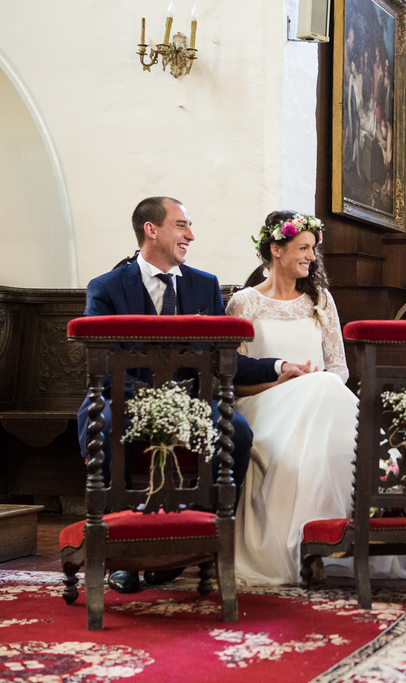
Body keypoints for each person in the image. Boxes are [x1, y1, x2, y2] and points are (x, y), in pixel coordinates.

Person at [77, 196, 310, 593]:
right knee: (105, 424)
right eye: (182, 225)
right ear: (152, 230)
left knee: (237, 433)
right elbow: (103, 360)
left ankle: (196, 543)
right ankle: (122, 553)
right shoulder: (108, 288)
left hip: (189, 400)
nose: (191, 235)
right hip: (125, 396)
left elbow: (225, 358)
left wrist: (277, 367)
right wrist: (150, 401)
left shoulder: (204, 286)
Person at [227, 210, 406, 585]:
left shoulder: (320, 301)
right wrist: (286, 383)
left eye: (313, 249)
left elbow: (339, 370)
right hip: (263, 404)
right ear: (276, 249)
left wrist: (310, 383)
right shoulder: (244, 304)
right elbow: (234, 378)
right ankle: (295, 546)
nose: (311, 257)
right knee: (320, 390)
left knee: (325, 390)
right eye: (303, 248)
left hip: (317, 400)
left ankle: (350, 531)